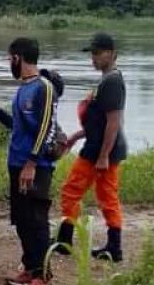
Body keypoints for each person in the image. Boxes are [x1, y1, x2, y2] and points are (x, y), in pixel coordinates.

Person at [0, 37, 64, 285]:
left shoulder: (44, 87)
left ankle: (44, 275)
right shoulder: (23, 88)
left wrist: (32, 162)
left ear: (18, 57)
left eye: (10, 58)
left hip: (36, 166)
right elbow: (18, 126)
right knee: (21, 220)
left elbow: (46, 129)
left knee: (36, 219)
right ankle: (30, 267)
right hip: (17, 163)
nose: (9, 63)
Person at [54, 32, 127, 262]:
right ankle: (113, 247)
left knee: (71, 192)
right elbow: (100, 121)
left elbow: (114, 122)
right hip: (100, 147)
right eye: (92, 54)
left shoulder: (112, 81)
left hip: (100, 151)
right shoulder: (107, 79)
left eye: (97, 54)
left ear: (112, 54)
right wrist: (77, 135)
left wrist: (104, 155)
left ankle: (66, 242)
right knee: (106, 196)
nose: (93, 58)